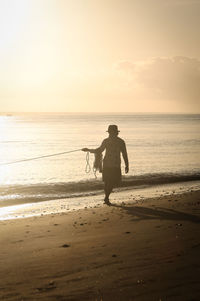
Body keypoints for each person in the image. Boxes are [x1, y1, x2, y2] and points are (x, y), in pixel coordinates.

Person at [82, 124, 129, 205]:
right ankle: (106, 197)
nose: (111, 134)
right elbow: (100, 150)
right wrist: (88, 150)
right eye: (111, 132)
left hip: (112, 165)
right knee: (109, 182)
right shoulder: (115, 141)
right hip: (110, 165)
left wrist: (127, 165)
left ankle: (106, 197)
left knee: (110, 182)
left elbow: (124, 154)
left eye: (112, 132)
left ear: (114, 133)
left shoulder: (116, 141)